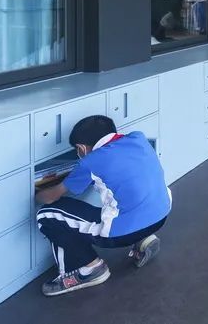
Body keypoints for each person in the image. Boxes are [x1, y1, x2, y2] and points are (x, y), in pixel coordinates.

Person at [35, 115, 172, 296]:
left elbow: (51, 197)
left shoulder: (91, 161)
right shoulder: (138, 138)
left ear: (82, 148)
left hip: (124, 233)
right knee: (128, 198)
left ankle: (88, 269)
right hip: (160, 216)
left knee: (47, 214)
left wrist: (36, 193)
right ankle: (145, 240)